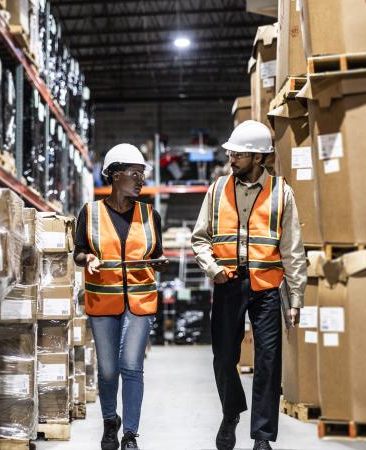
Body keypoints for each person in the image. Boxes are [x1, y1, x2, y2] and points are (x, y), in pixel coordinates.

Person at [190, 121, 307, 450]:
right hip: (228, 283)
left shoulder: (281, 193)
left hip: (267, 287)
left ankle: (263, 437)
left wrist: (295, 299)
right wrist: (212, 269)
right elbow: (200, 239)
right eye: (231, 152)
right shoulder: (216, 191)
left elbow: (293, 250)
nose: (231, 157)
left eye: (238, 153)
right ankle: (231, 414)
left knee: (269, 361)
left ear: (258, 157)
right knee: (223, 357)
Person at [74, 143, 168, 450]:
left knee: (131, 366)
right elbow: (78, 252)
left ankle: (130, 434)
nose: (141, 180)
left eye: (142, 174)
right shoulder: (90, 213)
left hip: (140, 302)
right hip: (103, 301)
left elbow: (155, 253)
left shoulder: (150, 215)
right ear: (114, 176)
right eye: (134, 173)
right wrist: (87, 259)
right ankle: (109, 422)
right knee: (108, 369)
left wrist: (157, 262)